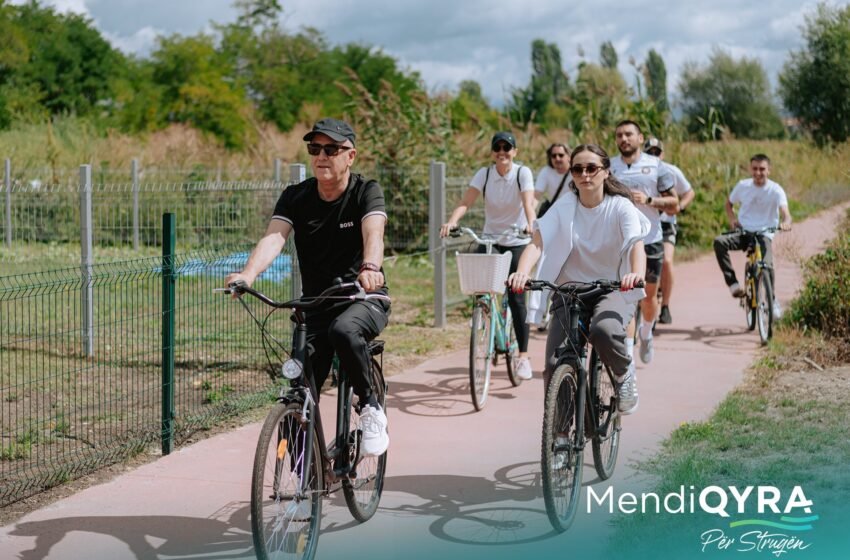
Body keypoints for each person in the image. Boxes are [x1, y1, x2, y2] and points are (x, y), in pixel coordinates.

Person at [225, 118, 390, 457]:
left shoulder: (365, 191)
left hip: (362, 297)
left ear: (351, 155)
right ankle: (306, 475)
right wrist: (248, 274)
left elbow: (374, 233)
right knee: (299, 392)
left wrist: (370, 268)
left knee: (344, 330)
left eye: (331, 149)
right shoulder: (296, 197)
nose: (321, 156)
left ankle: (370, 406)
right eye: (315, 149)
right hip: (316, 305)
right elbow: (274, 238)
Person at [508, 144, 649, 414]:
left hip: (612, 287)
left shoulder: (620, 206)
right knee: (555, 364)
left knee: (604, 331)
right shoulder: (565, 206)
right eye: (577, 169)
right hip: (570, 291)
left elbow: (635, 244)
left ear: (606, 172)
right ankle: (560, 434)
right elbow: (538, 242)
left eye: (591, 168)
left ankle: (624, 374)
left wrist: (636, 274)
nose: (584, 174)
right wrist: (522, 272)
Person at [440, 131, 537, 380]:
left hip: (516, 239)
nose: (502, 152)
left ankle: (523, 357)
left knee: (516, 297)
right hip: (491, 239)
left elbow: (528, 204)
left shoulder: (522, 173)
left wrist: (531, 225)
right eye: (498, 148)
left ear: (515, 151)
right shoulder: (484, 174)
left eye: (507, 148)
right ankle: (483, 316)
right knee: (480, 285)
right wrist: (452, 221)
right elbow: (466, 201)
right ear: (493, 152)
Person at [610, 120, 678, 366]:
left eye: (629, 134)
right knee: (625, 297)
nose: (624, 139)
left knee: (648, 298)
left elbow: (674, 204)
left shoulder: (657, 166)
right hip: (620, 243)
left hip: (650, 240)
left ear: (640, 138)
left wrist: (649, 200)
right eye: (619, 135)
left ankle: (646, 332)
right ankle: (627, 357)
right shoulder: (609, 166)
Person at [713, 154, 792, 318]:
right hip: (744, 232)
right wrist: (732, 219)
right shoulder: (743, 186)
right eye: (755, 169)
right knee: (719, 242)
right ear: (750, 169)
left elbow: (786, 212)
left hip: (764, 233)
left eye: (762, 169)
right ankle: (733, 284)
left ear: (769, 170)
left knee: (767, 265)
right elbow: (729, 204)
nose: (758, 173)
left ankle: (772, 300)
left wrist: (786, 222)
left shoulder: (775, 190)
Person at [644, 137, 695, 325]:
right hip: (645, 224)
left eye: (656, 152)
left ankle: (665, 305)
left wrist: (680, 206)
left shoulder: (671, 171)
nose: (653, 155)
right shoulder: (639, 171)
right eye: (649, 152)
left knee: (666, 260)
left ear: (662, 154)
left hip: (666, 223)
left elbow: (689, 192)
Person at [534, 143, 570, 216]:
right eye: (554, 156)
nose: (557, 158)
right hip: (554, 210)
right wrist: (530, 212)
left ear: (569, 156)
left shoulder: (576, 172)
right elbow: (536, 196)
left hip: (572, 210)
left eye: (561, 155)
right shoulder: (546, 171)